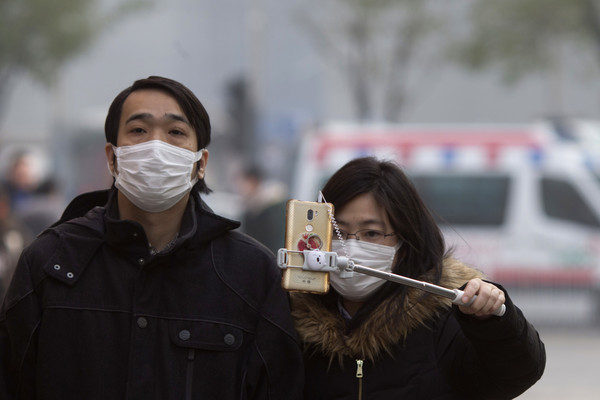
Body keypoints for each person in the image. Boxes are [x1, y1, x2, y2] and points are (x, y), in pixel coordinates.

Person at [0, 76, 304, 399]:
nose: (156, 147)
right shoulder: (50, 263)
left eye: (175, 132)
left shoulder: (251, 275)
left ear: (200, 163)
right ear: (112, 157)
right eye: (138, 131)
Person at [291, 156, 546, 399]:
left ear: (404, 241)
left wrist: (492, 322)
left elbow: (515, 375)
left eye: (371, 233)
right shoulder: (289, 316)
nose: (350, 249)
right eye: (338, 233)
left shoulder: (445, 312)